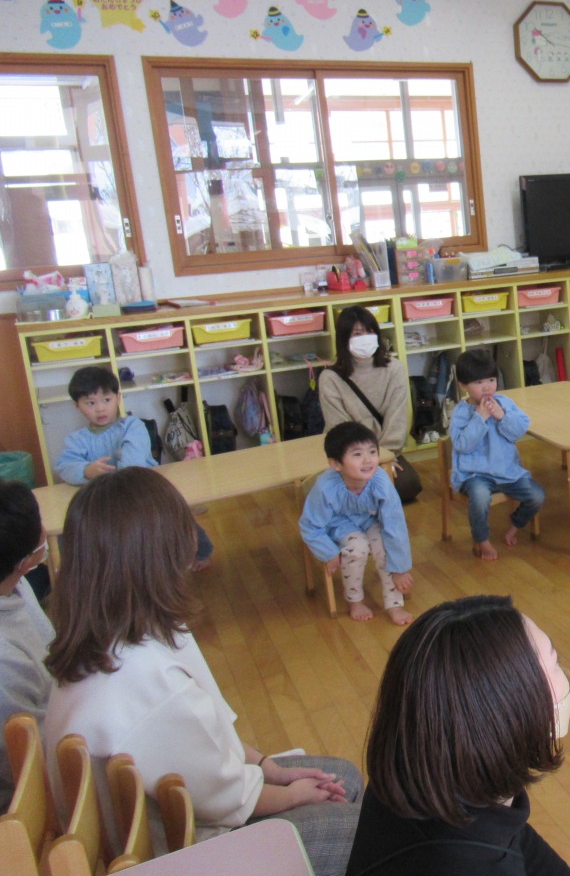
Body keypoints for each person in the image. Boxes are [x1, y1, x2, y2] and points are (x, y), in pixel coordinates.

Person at [44, 468, 363, 873]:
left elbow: (210, 740)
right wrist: (291, 794)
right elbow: (223, 798)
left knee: (345, 777)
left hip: (171, 825)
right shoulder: (149, 680)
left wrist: (265, 765)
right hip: (181, 853)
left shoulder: (100, 637)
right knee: (358, 826)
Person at [347, 595, 570, 875]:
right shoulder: (469, 864)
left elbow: (515, 837)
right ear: (510, 708)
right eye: (555, 660)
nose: (564, 674)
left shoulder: (420, 758)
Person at [54, 365, 214, 570]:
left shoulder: (132, 425)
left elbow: (134, 461)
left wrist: (113, 480)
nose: (100, 408)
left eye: (106, 400)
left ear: (118, 398)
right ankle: (81, 570)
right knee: (71, 524)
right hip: (105, 500)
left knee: (176, 511)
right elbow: (65, 466)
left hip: (143, 489)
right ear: (77, 406)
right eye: (90, 403)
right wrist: (85, 470)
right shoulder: (76, 439)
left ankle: (202, 552)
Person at [300, 422, 414, 625]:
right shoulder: (326, 487)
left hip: (370, 520)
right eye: (357, 454)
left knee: (384, 546)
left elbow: (395, 525)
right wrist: (328, 552)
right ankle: (355, 601)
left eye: (372, 451)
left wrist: (400, 568)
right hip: (339, 525)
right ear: (336, 464)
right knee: (357, 547)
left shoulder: (380, 481)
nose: (368, 460)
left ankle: (395, 605)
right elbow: (310, 525)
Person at [449, 350, 545, 561]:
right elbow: (462, 445)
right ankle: (482, 539)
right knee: (480, 497)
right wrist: (480, 418)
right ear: (463, 385)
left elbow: (519, 430)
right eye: (479, 382)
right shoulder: (460, 412)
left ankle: (514, 526)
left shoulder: (505, 403)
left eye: (491, 380)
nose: (487, 387)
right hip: (475, 474)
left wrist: (502, 416)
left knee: (537, 495)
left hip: (507, 471)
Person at [0, 480, 53, 809]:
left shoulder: (14, 585)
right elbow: (30, 762)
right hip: (28, 796)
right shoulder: (5, 660)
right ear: (24, 562)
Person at [319, 306, 412, 493]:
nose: (365, 338)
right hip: (349, 456)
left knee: (407, 485)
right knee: (345, 492)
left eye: (370, 332)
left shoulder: (395, 368)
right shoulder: (330, 378)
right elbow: (339, 427)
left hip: (384, 451)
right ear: (344, 339)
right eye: (357, 334)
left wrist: (384, 458)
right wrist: (361, 462)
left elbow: (397, 418)